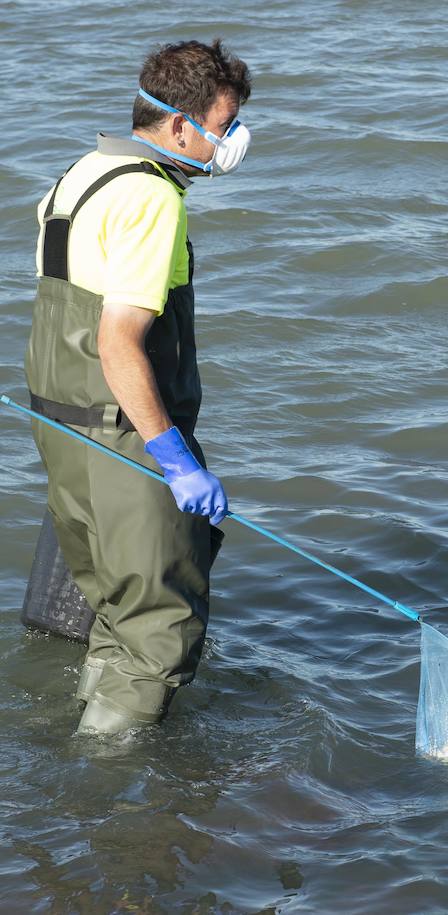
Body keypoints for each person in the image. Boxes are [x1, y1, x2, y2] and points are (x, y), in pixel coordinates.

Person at [25, 39, 253, 735]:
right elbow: (118, 341)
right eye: (224, 125)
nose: (231, 142)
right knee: (159, 630)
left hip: (62, 426)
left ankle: (87, 745)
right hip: (126, 435)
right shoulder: (153, 198)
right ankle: (110, 783)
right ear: (180, 125)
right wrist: (174, 458)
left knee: (113, 607)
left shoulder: (83, 172)